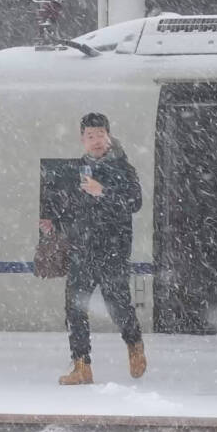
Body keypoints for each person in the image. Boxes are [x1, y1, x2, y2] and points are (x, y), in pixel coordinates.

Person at [56, 113, 146, 385]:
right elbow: (69, 208)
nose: (95, 140)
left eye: (100, 135)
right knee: (74, 308)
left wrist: (103, 192)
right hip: (82, 250)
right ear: (82, 139)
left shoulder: (123, 168)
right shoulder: (76, 170)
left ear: (109, 136)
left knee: (117, 305)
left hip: (112, 250)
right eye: (90, 136)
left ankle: (134, 344)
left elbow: (134, 203)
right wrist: (55, 221)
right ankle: (81, 366)